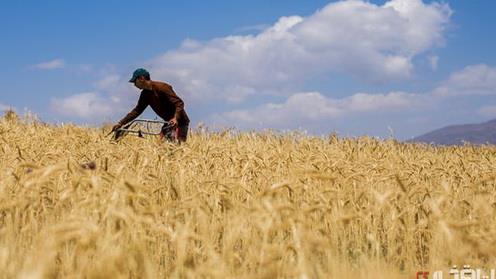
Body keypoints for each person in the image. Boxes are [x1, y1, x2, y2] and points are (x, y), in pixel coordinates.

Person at [112, 68, 190, 142]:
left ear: (142, 78)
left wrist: (175, 118)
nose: (134, 85)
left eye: (135, 81)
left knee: (177, 146)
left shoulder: (162, 87)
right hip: (168, 123)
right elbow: (137, 110)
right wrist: (121, 123)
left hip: (180, 122)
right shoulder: (145, 94)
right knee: (161, 146)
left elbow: (179, 103)